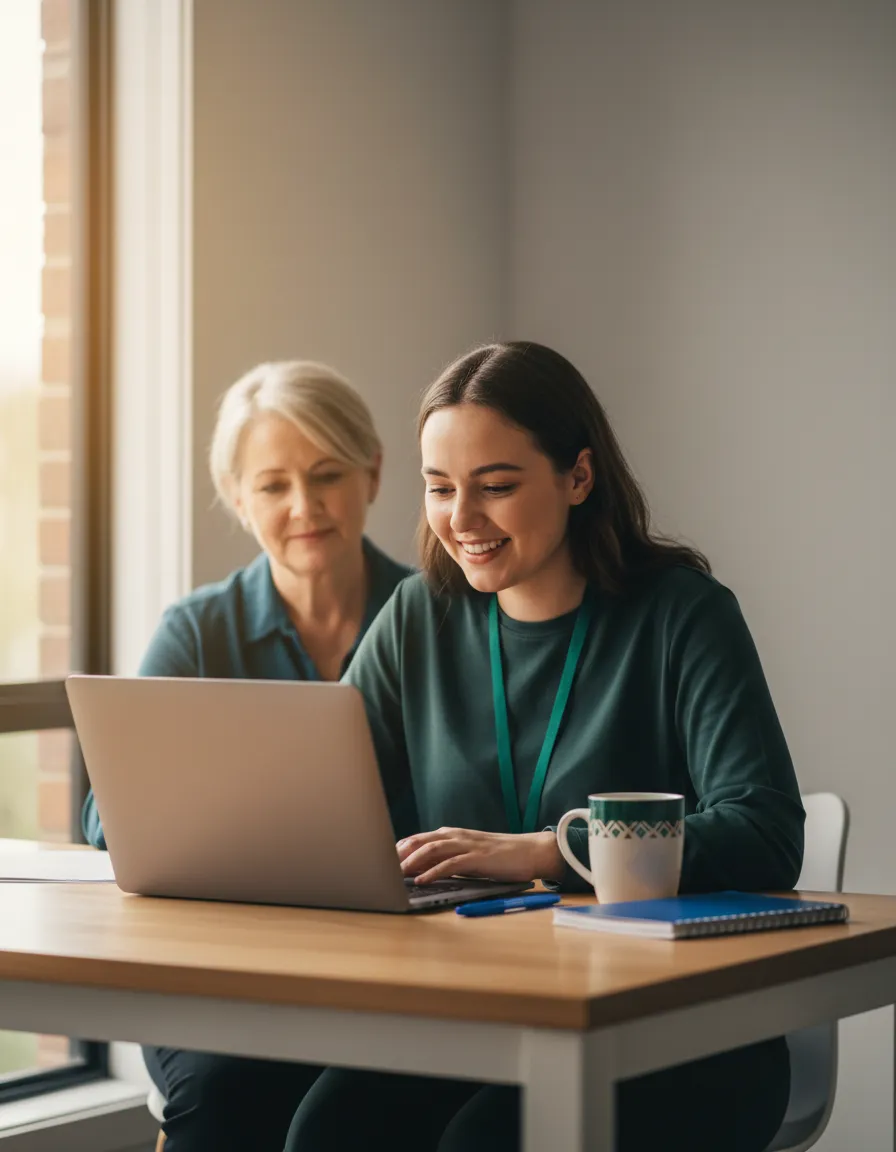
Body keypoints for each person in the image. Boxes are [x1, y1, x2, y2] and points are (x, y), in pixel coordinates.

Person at [283, 341, 804, 1152]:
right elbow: (323, 804)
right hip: (477, 1011)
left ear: (578, 478)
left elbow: (765, 829)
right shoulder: (417, 618)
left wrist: (551, 849)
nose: (461, 519)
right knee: (327, 1131)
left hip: (679, 1027)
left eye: (495, 487)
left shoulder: (684, 615)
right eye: (440, 489)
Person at [82, 360, 411, 1152]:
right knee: (224, 1095)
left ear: (373, 472)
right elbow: (108, 820)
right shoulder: (196, 631)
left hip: (393, 969)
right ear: (237, 498)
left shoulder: (433, 620)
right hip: (215, 970)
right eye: (272, 486)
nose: (304, 507)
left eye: (328, 474)